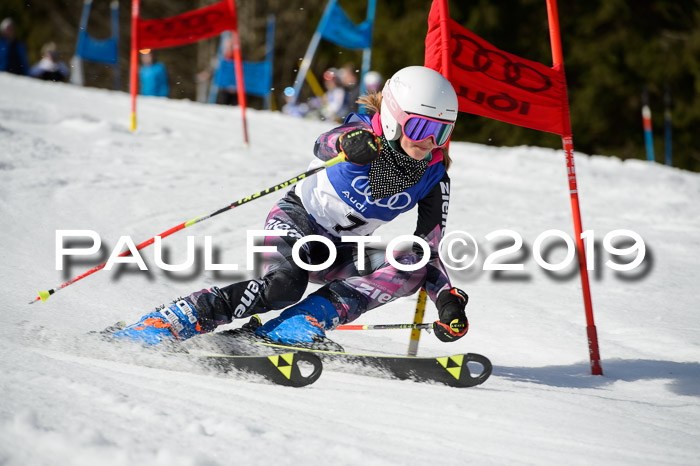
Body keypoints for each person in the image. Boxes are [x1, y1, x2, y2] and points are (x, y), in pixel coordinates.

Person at [110, 66, 469, 348]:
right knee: (283, 287)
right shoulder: (362, 134)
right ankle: (175, 320)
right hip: (297, 222)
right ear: (392, 116)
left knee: (412, 262)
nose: (427, 142)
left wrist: (447, 300)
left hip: (343, 249)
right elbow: (324, 144)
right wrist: (349, 142)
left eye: (440, 132)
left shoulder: (434, 176)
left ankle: (299, 324)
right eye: (420, 126)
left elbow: (430, 249)